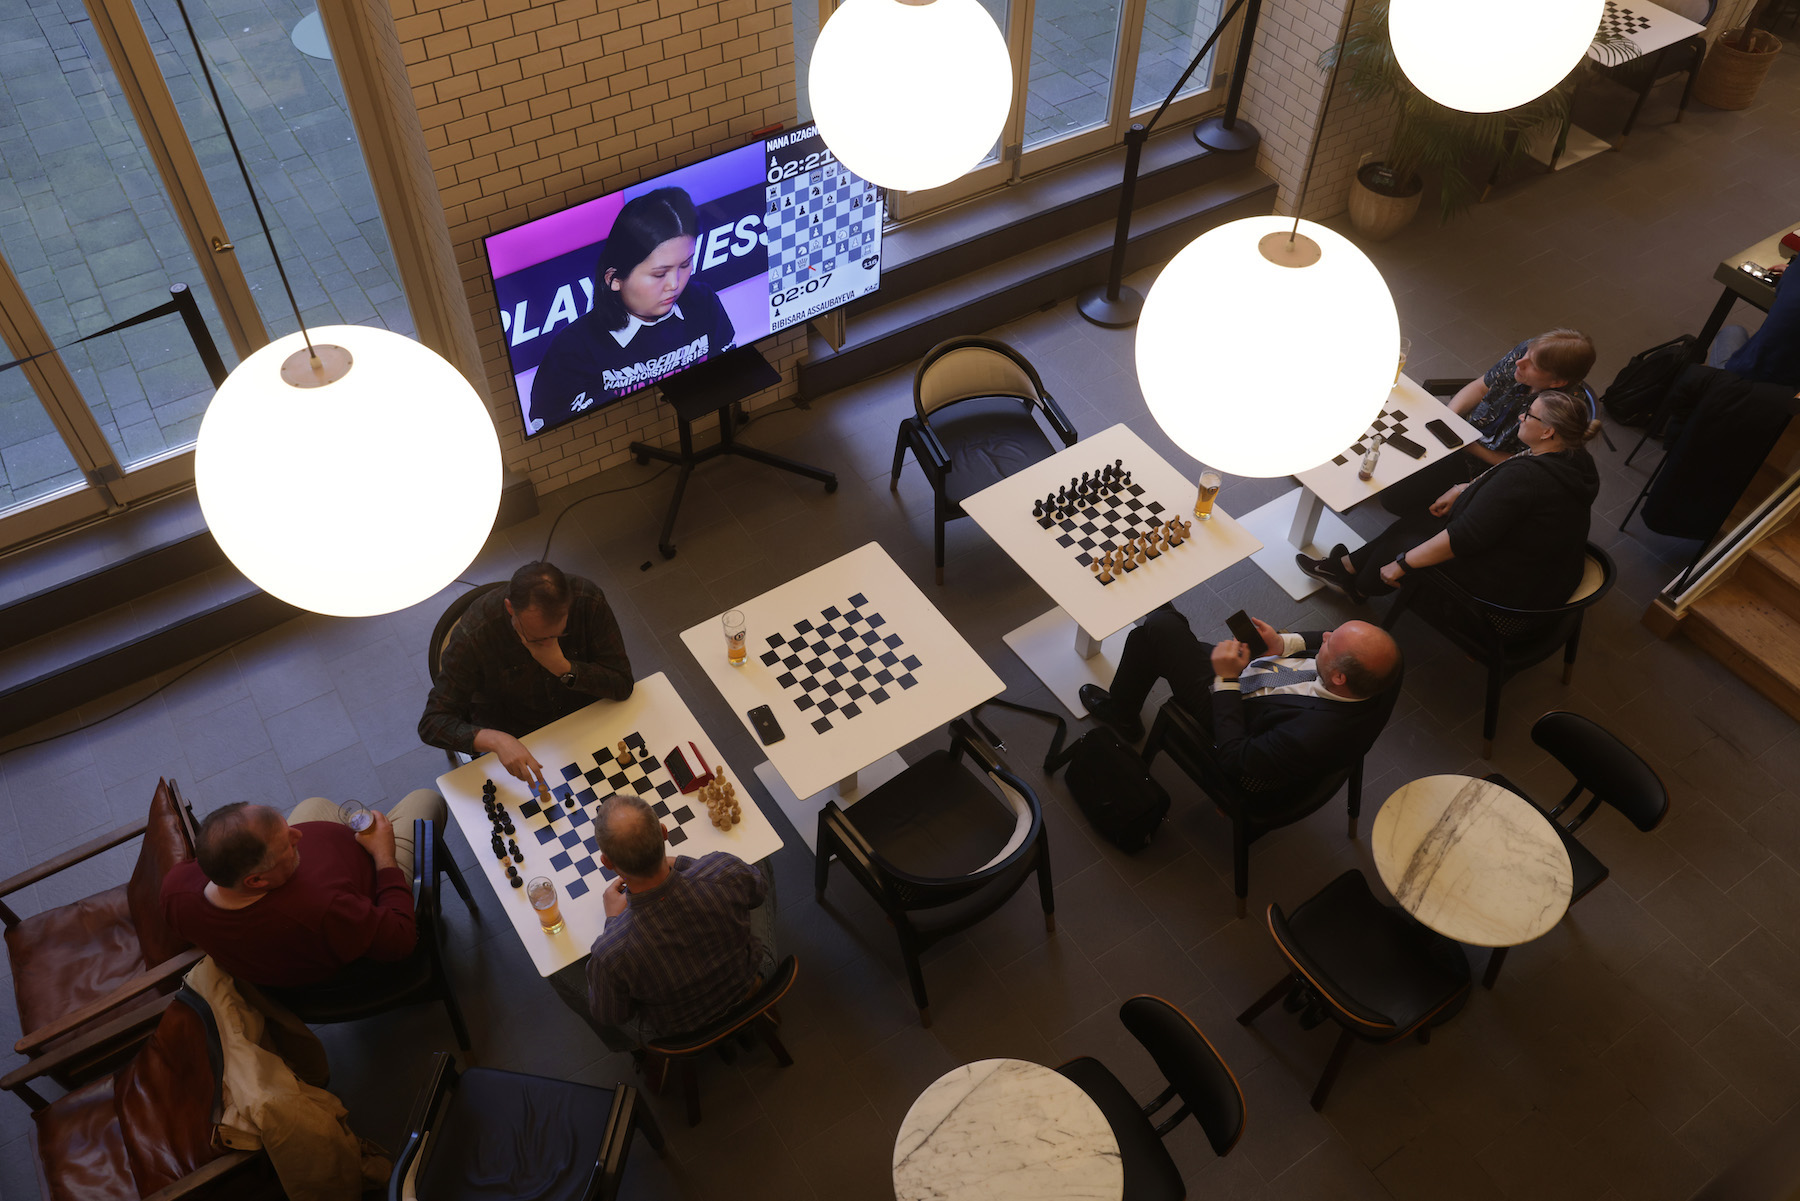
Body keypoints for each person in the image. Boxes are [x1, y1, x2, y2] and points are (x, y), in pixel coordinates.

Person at [1300, 389, 1602, 607]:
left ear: (1548, 431)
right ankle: (1347, 566)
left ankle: (1360, 587)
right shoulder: (1575, 458)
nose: (1522, 416)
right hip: (1546, 566)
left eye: (1529, 414)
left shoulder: (1527, 478)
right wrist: (1463, 489)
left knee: (1407, 540)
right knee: (1425, 519)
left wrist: (1403, 564)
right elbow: (1513, 470)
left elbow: (1465, 537)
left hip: (1510, 586)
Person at [1078, 612, 1402, 792]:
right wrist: (1283, 642)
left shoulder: (1308, 737)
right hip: (1263, 682)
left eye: (1330, 645)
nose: (1325, 637)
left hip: (1233, 714)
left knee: (1161, 626)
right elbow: (1330, 638)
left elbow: (1234, 756)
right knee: (1149, 635)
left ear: (1339, 678)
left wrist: (1226, 679)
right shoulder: (1386, 666)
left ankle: (1123, 714)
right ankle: (1124, 708)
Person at [552, 794, 776, 1053]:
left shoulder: (611, 951)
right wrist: (683, 863)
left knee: (556, 970)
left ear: (607, 863)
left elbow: (611, 1015)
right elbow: (758, 891)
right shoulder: (722, 870)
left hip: (678, 1031)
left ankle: (633, 1049)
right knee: (756, 862)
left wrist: (613, 921)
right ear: (663, 833)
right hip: (748, 982)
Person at [161, 789, 446, 989]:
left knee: (314, 804)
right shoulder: (320, 909)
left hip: (310, 929)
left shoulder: (176, 887)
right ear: (256, 881)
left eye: (287, 828)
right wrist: (384, 856)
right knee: (425, 799)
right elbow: (400, 940)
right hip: (370, 899)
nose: (299, 835)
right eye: (288, 844)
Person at [527, 186, 736, 431]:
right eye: (659, 274)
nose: (675, 284)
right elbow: (550, 423)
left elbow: (730, 368)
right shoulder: (572, 349)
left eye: (685, 264)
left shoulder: (702, 301)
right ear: (614, 279)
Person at [419, 561, 634, 787]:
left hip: (585, 719)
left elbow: (622, 682)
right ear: (511, 609)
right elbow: (432, 723)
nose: (550, 645)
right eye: (538, 639)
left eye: (559, 634)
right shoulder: (474, 635)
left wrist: (563, 667)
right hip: (520, 737)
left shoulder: (588, 600)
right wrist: (496, 740)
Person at [1381, 328, 1596, 516]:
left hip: (1482, 470)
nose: (1519, 363)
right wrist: (1447, 418)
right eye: (1525, 355)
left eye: (1533, 366)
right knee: (1386, 452)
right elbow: (1481, 387)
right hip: (1461, 436)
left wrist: (1467, 445)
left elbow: (1522, 465)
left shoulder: (1559, 411)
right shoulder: (1527, 354)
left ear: (1557, 382)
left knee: (1393, 499)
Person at [1714, 261, 1800, 388]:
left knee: (1732, 331)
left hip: (1743, 381)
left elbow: (1786, 289)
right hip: (1789, 395)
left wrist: (1791, 273)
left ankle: (1705, 385)